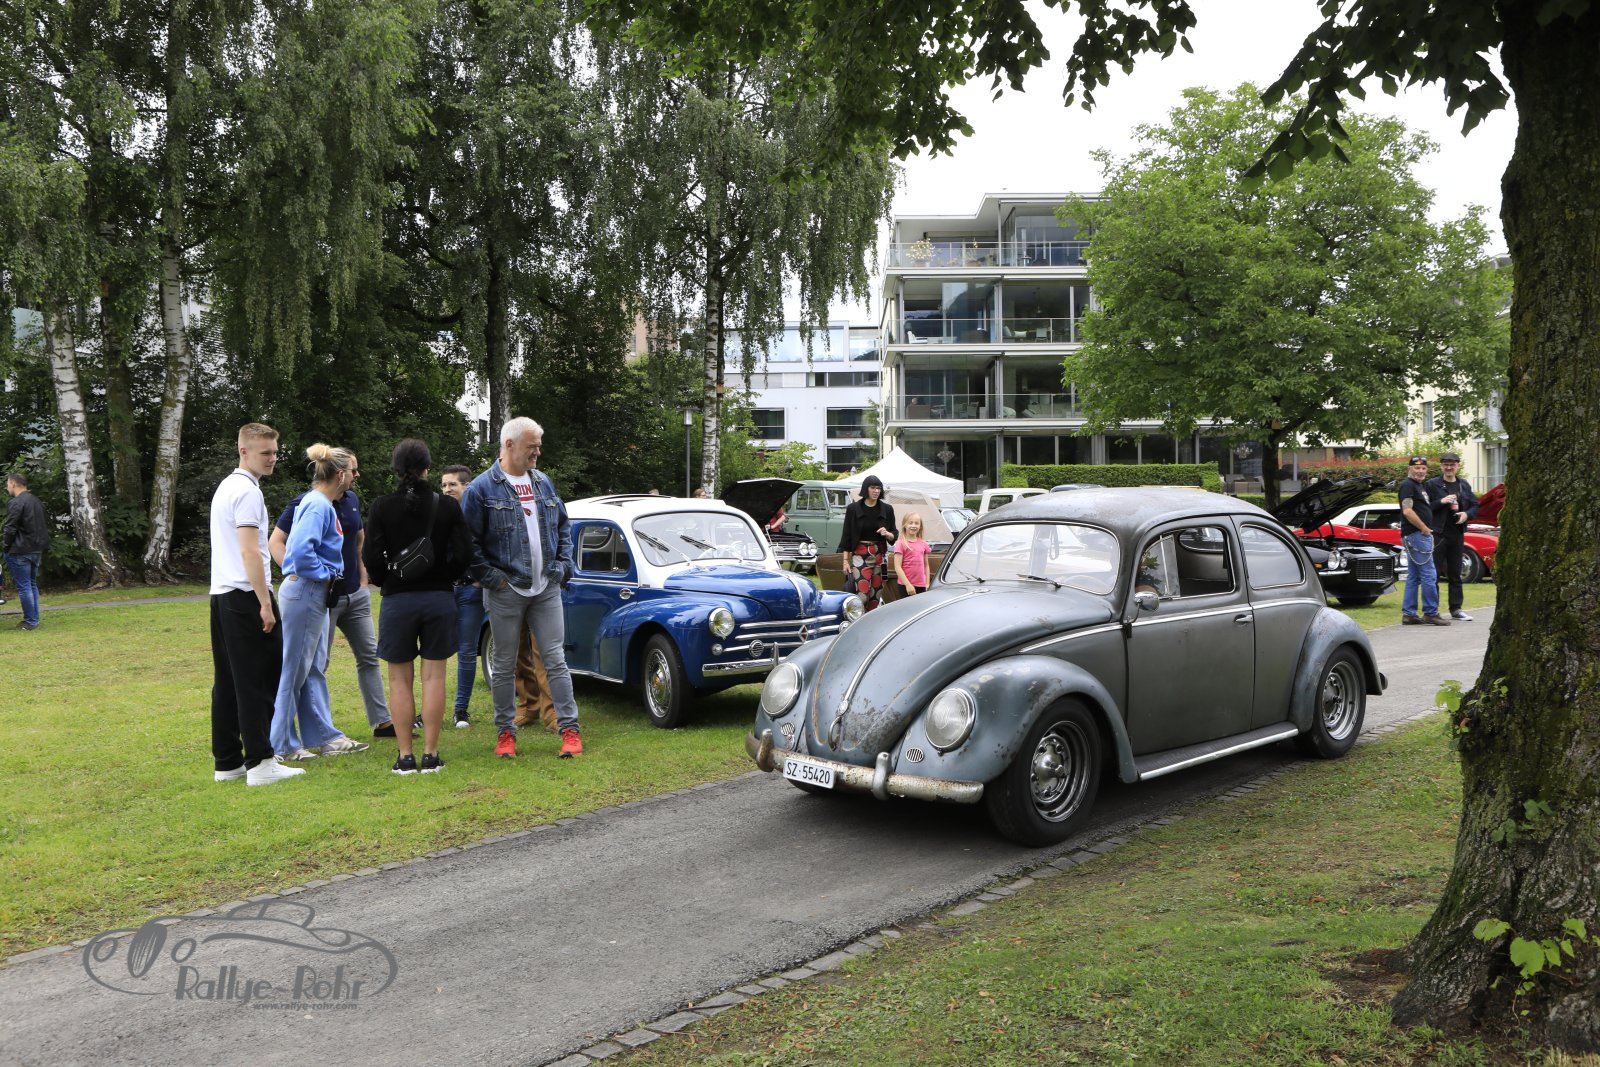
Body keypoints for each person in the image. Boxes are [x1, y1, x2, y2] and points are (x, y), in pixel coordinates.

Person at [459, 416, 583, 759]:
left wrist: (563, 566)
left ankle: (570, 730)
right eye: (532, 447)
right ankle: (505, 735)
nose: (537, 453)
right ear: (509, 445)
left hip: (546, 588)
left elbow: (563, 527)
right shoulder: (481, 489)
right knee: (504, 664)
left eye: (538, 447)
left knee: (556, 660)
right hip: (506, 590)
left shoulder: (543, 482)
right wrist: (493, 580)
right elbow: (467, 544)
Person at [270, 451, 396, 739]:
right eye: (353, 471)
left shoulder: (333, 502)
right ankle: (282, 741)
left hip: (337, 593)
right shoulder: (315, 505)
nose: (356, 475)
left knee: (310, 668)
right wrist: (321, 574)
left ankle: (321, 735)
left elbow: (356, 541)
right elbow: (295, 551)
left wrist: (359, 578)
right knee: (300, 669)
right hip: (313, 593)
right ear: (340, 474)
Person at [365, 439, 470, 774]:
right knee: (434, 677)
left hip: (397, 601)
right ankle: (431, 755)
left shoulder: (381, 507)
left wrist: (387, 580)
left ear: (396, 469)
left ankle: (405, 757)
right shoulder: (448, 506)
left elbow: (371, 557)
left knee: (399, 680)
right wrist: (446, 577)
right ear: (428, 468)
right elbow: (464, 553)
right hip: (439, 599)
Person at [208, 423, 303, 786]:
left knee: (229, 681)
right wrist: (265, 602)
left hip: (222, 596)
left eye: (275, 452)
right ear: (243, 451)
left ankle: (228, 762)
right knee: (257, 679)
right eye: (265, 452)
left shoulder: (226, 487)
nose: (273, 458)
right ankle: (261, 761)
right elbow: (250, 551)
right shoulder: (246, 492)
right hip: (244, 595)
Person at [1426, 450, 1480, 622]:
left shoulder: (1464, 485)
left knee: (1456, 573)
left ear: (1458, 466)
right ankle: (1432, 611)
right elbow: (1425, 508)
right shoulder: (1432, 484)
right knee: (1433, 574)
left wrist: (1467, 514)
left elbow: (1475, 505)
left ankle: (1456, 609)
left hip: (1457, 534)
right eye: (1446, 465)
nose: (1449, 468)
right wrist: (1441, 501)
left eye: (1452, 465)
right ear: (1441, 466)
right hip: (1438, 534)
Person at [1398, 454, 1449, 626]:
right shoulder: (1408, 485)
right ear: (1409, 469)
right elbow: (1407, 511)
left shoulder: (1418, 486)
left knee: (1414, 575)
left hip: (1415, 535)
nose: (1420, 471)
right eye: (1416, 468)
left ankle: (1409, 614)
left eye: (1423, 468)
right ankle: (1430, 613)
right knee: (1429, 574)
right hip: (1417, 535)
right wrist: (1424, 528)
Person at [837, 475, 897, 611]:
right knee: (862, 596)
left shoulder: (887, 509)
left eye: (878, 488)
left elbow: (894, 534)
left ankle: (870, 621)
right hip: (860, 556)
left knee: (875, 596)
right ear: (866, 489)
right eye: (873, 488)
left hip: (879, 557)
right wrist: (845, 561)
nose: (876, 491)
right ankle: (857, 619)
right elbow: (846, 536)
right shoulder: (853, 509)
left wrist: (887, 534)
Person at [3, 471, 48, 631]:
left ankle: (30, 621)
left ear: (13, 484)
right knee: (31, 584)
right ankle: (34, 618)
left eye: (8, 484)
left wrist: (6, 546)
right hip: (36, 548)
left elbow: (10, 527)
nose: (7, 487)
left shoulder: (16, 503)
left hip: (20, 549)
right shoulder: (36, 501)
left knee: (24, 587)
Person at [891, 511, 932, 596]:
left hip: (922, 585)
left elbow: (926, 565)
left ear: (920, 526)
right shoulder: (900, 543)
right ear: (905, 525)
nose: (913, 526)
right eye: (910, 523)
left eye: (916, 523)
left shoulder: (924, 543)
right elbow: (897, 567)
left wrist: (927, 583)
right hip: (905, 585)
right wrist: (908, 585)